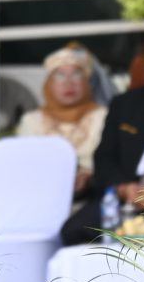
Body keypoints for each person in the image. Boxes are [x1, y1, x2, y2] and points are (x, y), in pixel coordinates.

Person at [61, 16, 144, 245]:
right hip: (124, 199)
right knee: (73, 231)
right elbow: (104, 157)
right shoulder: (125, 104)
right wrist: (123, 188)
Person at [16, 42, 107, 196]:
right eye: (60, 75)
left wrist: (88, 176)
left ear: (86, 82)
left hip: (95, 197)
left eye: (77, 74)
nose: (68, 83)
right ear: (49, 84)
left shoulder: (104, 116)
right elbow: (24, 166)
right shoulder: (32, 121)